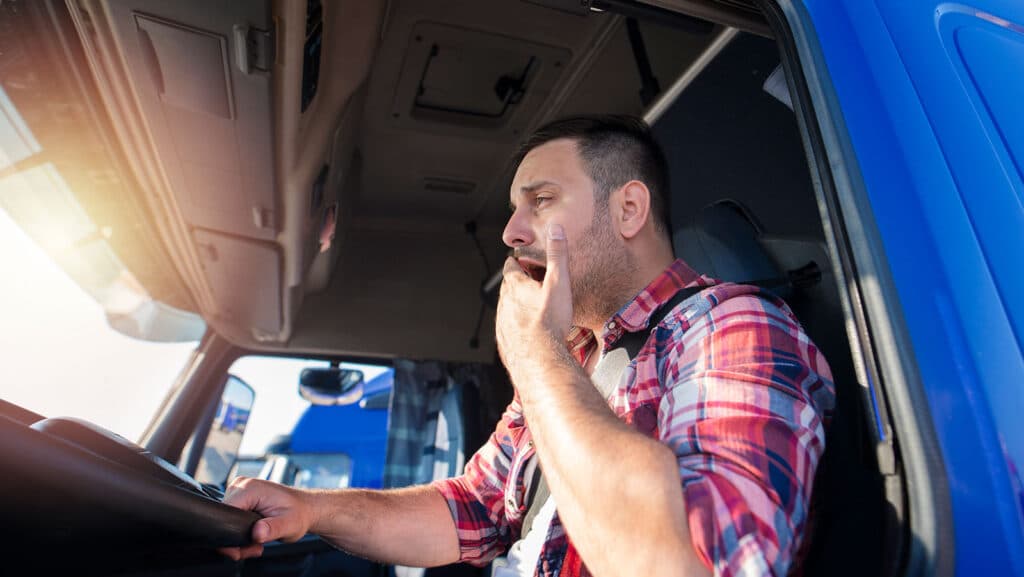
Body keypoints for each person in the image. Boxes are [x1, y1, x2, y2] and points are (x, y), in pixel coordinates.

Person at [220, 115, 835, 577]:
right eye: (515, 209)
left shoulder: (732, 326)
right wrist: (308, 509)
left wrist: (536, 356)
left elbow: (703, 564)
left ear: (628, 209)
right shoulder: (574, 360)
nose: (512, 233)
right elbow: (473, 507)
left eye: (540, 201)